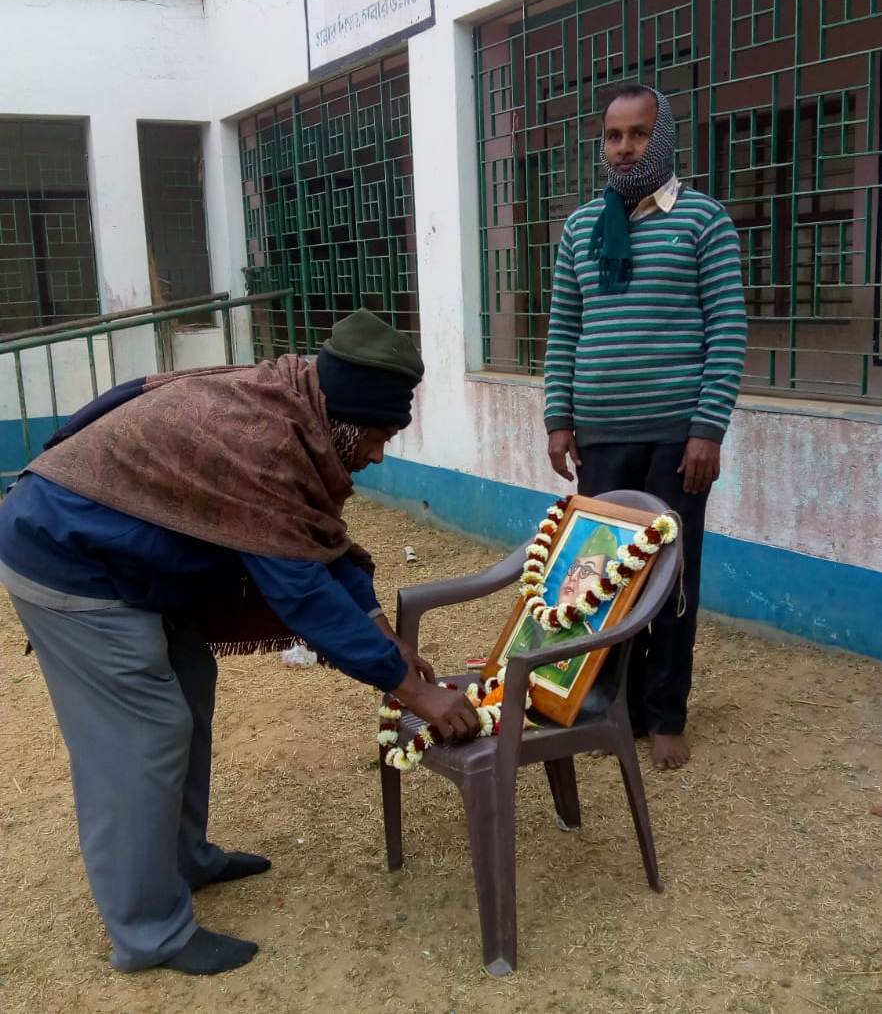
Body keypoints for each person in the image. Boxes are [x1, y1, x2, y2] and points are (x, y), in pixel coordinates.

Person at [0, 308, 479, 975]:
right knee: (143, 735)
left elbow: (316, 541)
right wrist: (409, 689)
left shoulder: (299, 406)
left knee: (190, 687)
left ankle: (183, 859)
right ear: (346, 420)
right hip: (69, 557)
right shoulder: (266, 445)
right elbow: (300, 590)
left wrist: (379, 630)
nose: (377, 455)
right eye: (378, 437)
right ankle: (150, 933)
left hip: (130, 561)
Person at [544, 82, 747, 771]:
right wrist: (559, 419)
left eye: (637, 134)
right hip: (600, 437)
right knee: (603, 575)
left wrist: (708, 429)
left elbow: (727, 329)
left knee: (670, 579)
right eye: (613, 135)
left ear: (662, 140)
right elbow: (564, 328)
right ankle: (612, 706)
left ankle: (666, 713)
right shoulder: (581, 228)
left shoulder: (702, 221)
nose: (623, 147)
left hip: (676, 439)